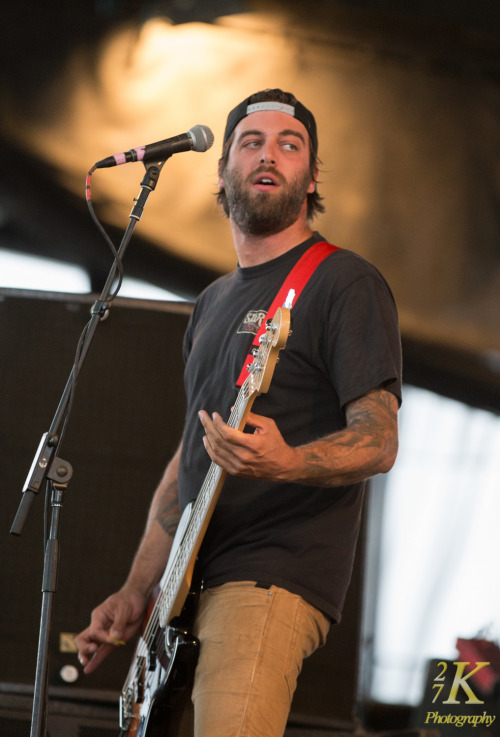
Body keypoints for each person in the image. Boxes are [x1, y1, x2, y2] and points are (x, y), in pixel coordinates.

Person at [75, 88, 402, 737]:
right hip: (186, 583)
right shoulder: (213, 301)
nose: (268, 154)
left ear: (312, 178)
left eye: (290, 143)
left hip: (270, 575)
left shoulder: (343, 282)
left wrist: (289, 460)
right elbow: (189, 460)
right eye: (251, 142)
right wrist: (139, 589)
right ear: (223, 170)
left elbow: (380, 437)